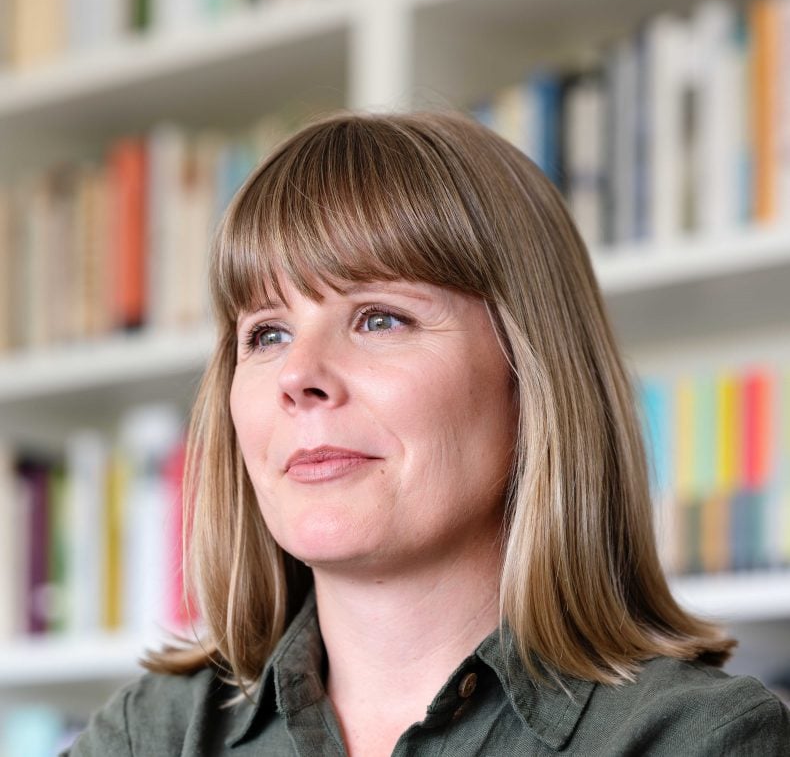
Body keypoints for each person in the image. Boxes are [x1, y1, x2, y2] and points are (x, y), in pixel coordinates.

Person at [64, 110, 790, 756]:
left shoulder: (700, 740)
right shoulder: (152, 734)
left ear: (530, 371)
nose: (298, 375)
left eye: (381, 318)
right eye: (267, 332)